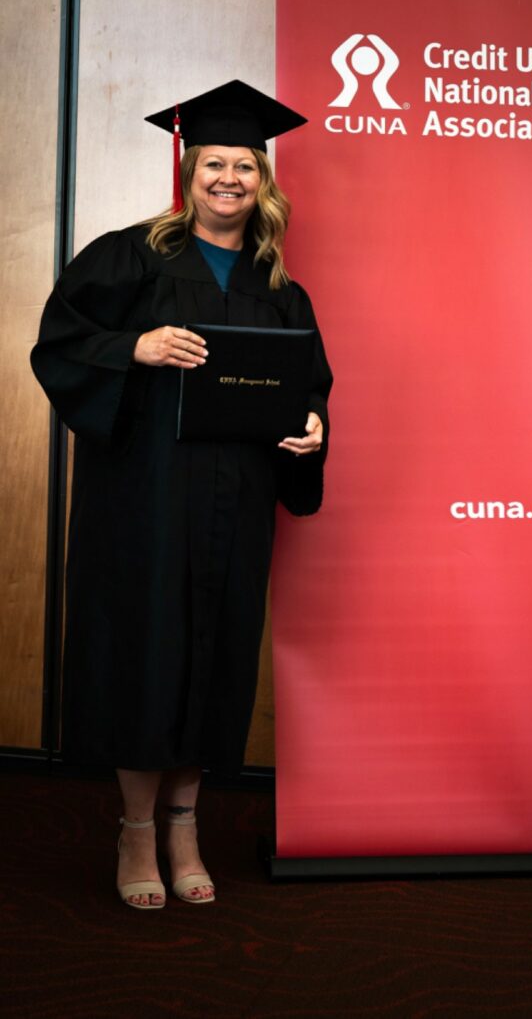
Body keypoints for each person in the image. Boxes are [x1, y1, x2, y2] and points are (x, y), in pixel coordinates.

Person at [30, 80, 332, 910]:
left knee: (214, 651)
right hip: (147, 500)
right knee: (147, 650)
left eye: (245, 166)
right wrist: (137, 345)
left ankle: (185, 823)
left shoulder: (279, 286)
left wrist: (312, 426)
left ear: (262, 182)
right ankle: (135, 830)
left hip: (238, 499)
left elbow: (310, 384)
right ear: (188, 169)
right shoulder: (131, 256)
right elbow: (59, 342)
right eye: (214, 164)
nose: (229, 178)